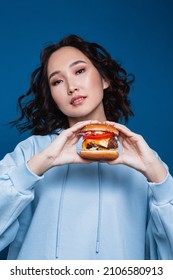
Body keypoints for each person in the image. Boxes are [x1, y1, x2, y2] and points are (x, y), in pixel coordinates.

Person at [0, 34, 173, 260]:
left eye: (79, 71)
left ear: (104, 79)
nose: (71, 87)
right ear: (52, 96)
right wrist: (37, 166)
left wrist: (162, 182)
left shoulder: (144, 159)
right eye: (57, 81)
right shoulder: (32, 151)